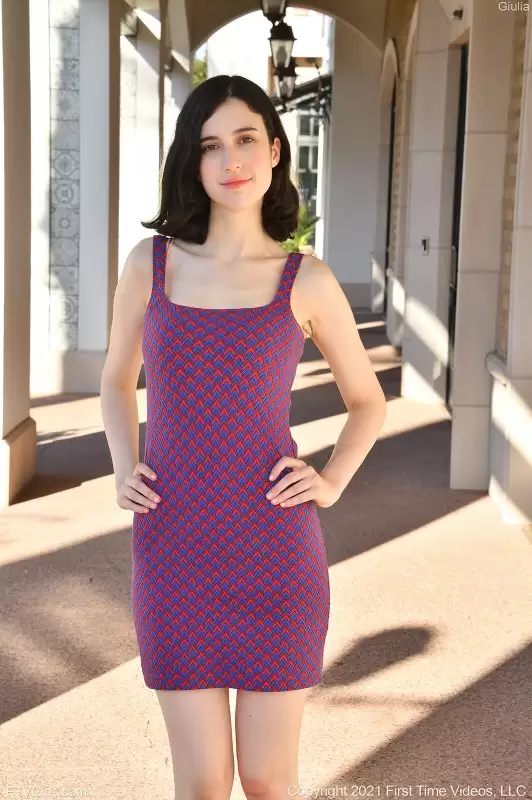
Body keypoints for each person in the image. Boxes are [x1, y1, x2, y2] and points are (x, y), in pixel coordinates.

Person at [100, 74, 387, 800]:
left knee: (266, 778)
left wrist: (330, 480)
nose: (230, 160)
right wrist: (124, 466)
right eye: (210, 146)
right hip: (173, 547)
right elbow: (116, 380)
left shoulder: (306, 279)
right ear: (191, 162)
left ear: (275, 150)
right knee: (202, 782)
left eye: (246, 139)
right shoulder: (151, 264)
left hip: (276, 553)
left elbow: (367, 402)